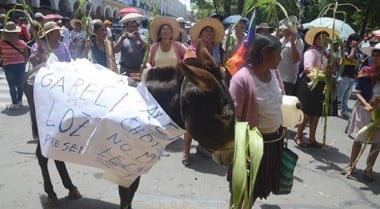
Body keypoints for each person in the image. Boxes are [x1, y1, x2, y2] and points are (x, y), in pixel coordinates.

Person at [29, 21, 81, 207]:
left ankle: (67, 184)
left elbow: (69, 64)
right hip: (45, 91)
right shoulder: (38, 45)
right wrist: (38, 56)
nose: (57, 34)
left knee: (60, 136)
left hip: (62, 90)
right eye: (54, 32)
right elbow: (33, 62)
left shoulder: (63, 46)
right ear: (47, 34)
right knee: (48, 137)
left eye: (58, 32)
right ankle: (51, 188)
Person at [229, 34, 285, 206]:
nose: (281, 58)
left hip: (273, 142)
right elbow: (234, 117)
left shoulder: (274, 72)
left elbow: (281, 96)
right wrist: (242, 151)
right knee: (240, 187)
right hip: (249, 147)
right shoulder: (242, 79)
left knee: (256, 188)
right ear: (264, 53)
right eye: (278, 54)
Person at [181, 17, 225, 166]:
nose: (210, 33)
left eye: (212, 31)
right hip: (196, 88)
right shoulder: (193, 48)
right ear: (200, 35)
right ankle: (186, 151)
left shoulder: (219, 48)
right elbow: (188, 65)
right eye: (206, 31)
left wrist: (223, 68)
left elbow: (224, 64)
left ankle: (202, 146)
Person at [343, 43, 380, 182]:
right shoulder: (365, 71)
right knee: (359, 138)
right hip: (364, 110)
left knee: (377, 142)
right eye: (374, 56)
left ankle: (369, 168)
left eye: (379, 56)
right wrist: (366, 104)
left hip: (379, 113)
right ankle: (351, 165)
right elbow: (357, 92)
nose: (375, 58)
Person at [296, 27, 335, 147]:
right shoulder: (311, 52)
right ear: (315, 39)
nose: (323, 40)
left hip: (321, 85)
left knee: (317, 113)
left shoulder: (328, 55)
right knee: (307, 112)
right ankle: (299, 135)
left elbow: (329, 69)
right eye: (320, 38)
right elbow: (308, 68)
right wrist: (321, 72)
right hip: (310, 83)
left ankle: (312, 138)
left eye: (325, 39)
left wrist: (329, 71)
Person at [0, 21, 29, 110]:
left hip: (8, 65)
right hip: (20, 65)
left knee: (12, 85)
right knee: (20, 84)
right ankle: (20, 101)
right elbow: (26, 55)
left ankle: (15, 103)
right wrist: (24, 62)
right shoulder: (22, 43)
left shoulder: (1, 43)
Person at [337, 33, 362, 119]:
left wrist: (359, 61)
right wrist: (353, 49)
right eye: (356, 42)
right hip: (344, 75)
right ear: (351, 41)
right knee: (339, 95)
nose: (357, 44)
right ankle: (332, 109)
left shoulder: (357, 50)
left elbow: (357, 61)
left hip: (352, 76)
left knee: (346, 97)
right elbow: (349, 57)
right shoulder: (345, 49)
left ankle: (344, 111)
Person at [277, 15, 304, 95]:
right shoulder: (281, 40)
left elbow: (295, 59)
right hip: (277, 76)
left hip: (287, 79)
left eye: (284, 28)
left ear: (290, 30)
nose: (282, 29)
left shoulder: (298, 42)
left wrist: (292, 43)